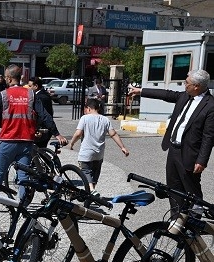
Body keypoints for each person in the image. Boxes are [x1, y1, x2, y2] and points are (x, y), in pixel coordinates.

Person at [128, 69, 214, 212]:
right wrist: (140, 91)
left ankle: (196, 223)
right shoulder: (185, 96)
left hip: (190, 155)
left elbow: (209, 136)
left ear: (197, 86)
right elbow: (166, 94)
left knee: (192, 191)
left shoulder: (210, 106)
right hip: (173, 150)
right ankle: (176, 221)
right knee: (173, 189)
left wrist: (202, 160)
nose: (184, 85)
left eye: (187, 83)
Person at [0, 64, 61, 204]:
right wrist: (56, 133)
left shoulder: (2, 95)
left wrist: (6, 125)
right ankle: (22, 204)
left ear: (10, 79)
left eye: (6, 77)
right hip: (26, 142)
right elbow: (44, 115)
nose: (5, 79)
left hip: (7, 140)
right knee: (23, 176)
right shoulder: (31, 95)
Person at [69, 98, 129, 194]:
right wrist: (122, 147)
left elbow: (78, 133)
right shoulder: (105, 119)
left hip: (86, 152)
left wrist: (72, 143)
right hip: (99, 153)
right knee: (95, 173)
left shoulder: (85, 118)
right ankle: (92, 192)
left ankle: (92, 190)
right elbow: (113, 134)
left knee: (85, 170)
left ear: (88, 108)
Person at [28, 77, 68, 148]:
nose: (28, 88)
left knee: (38, 151)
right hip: (44, 128)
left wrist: (39, 129)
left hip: (42, 130)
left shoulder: (40, 97)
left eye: (30, 86)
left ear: (36, 86)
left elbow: (43, 115)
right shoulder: (44, 94)